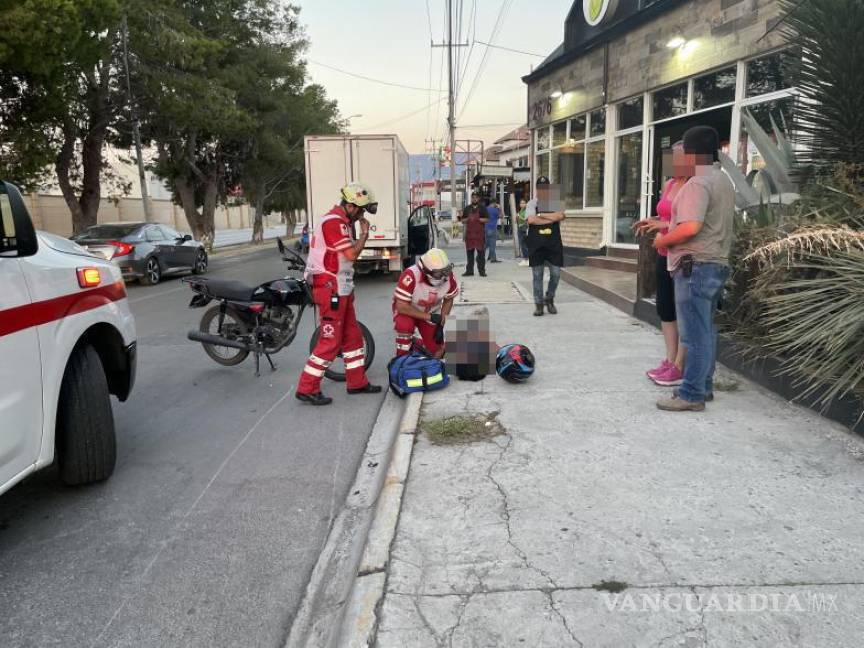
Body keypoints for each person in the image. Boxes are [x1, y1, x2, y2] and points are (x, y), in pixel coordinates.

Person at [653, 126, 735, 412]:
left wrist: (662, 240)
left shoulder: (697, 182)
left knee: (694, 335)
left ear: (691, 153)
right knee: (706, 330)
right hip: (715, 263)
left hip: (694, 267)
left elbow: (690, 227)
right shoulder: (721, 179)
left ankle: (690, 394)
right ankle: (704, 386)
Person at [295, 182, 383, 406]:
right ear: (352, 206)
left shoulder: (341, 221)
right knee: (330, 341)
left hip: (341, 287)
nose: (362, 214)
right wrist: (364, 235)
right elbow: (352, 254)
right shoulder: (334, 223)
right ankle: (307, 388)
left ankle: (356, 382)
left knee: (353, 337)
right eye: (362, 209)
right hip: (330, 288)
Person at [634, 141, 689, 387]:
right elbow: (668, 215)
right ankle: (669, 360)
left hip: (684, 256)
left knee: (683, 311)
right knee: (665, 308)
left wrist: (663, 227)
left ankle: (680, 365)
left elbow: (690, 224)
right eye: (671, 158)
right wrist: (653, 220)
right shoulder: (669, 184)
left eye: (678, 158)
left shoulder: (693, 187)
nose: (673, 163)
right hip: (664, 253)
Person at [393, 248, 458, 359]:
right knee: (404, 327)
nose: (443, 276)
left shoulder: (450, 278)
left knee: (436, 352)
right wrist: (429, 317)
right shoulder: (410, 275)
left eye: (445, 270)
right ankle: (402, 361)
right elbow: (401, 307)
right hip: (408, 311)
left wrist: (441, 322)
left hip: (431, 314)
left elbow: (449, 298)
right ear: (426, 270)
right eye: (438, 273)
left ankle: (417, 344)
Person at [526, 178, 565, 316]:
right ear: (537, 189)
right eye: (540, 187)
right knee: (537, 276)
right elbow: (531, 220)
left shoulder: (555, 201)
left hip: (553, 244)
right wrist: (551, 217)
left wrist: (541, 215)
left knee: (556, 274)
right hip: (536, 245)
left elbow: (560, 216)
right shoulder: (531, 203)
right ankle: (539, 304)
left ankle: (549, 298)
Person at [459, 193, 488, 277]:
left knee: (481, 255)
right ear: (471, 198)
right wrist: (468, 219)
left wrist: (477, 219)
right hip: (469, 235)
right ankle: (469, 271)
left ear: (478, 199)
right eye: (473, 198)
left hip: (479, 235)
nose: (474, 199)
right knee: (470, 254)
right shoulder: (467, 208)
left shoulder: (482, 208)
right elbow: (462, 220)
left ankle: (482, 271)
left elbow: (487, 219)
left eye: (476, 197)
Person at [516, 198, 530, 266]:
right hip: (520, 227)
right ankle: (525, 259)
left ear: (526, 204)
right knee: (522, 244)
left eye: (524, 203)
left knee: (524, 244)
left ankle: (527, 259)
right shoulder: (521, 210)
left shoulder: (527, 211)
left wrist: (519, 216)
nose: (522, 204)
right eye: (521, 203)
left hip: (524, 228)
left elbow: (526, 220)